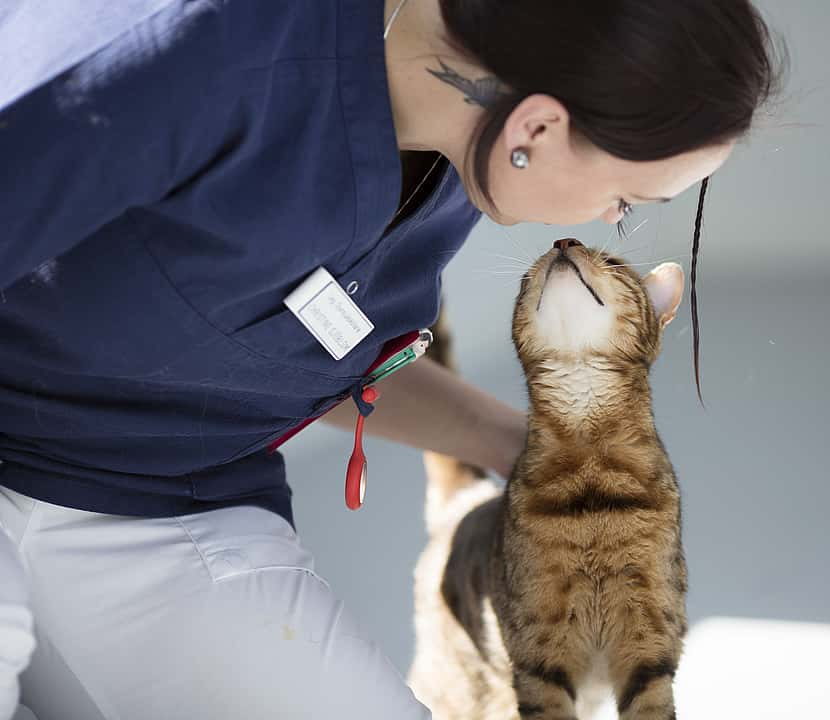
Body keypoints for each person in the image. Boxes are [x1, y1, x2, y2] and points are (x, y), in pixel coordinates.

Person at [0, 0, 783, 717]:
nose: (609, 220)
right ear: (537, 130)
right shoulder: (196, 44)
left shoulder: (456, 161)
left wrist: (534, 454)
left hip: (168, 506)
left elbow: (296, 353)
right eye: (626, 199)